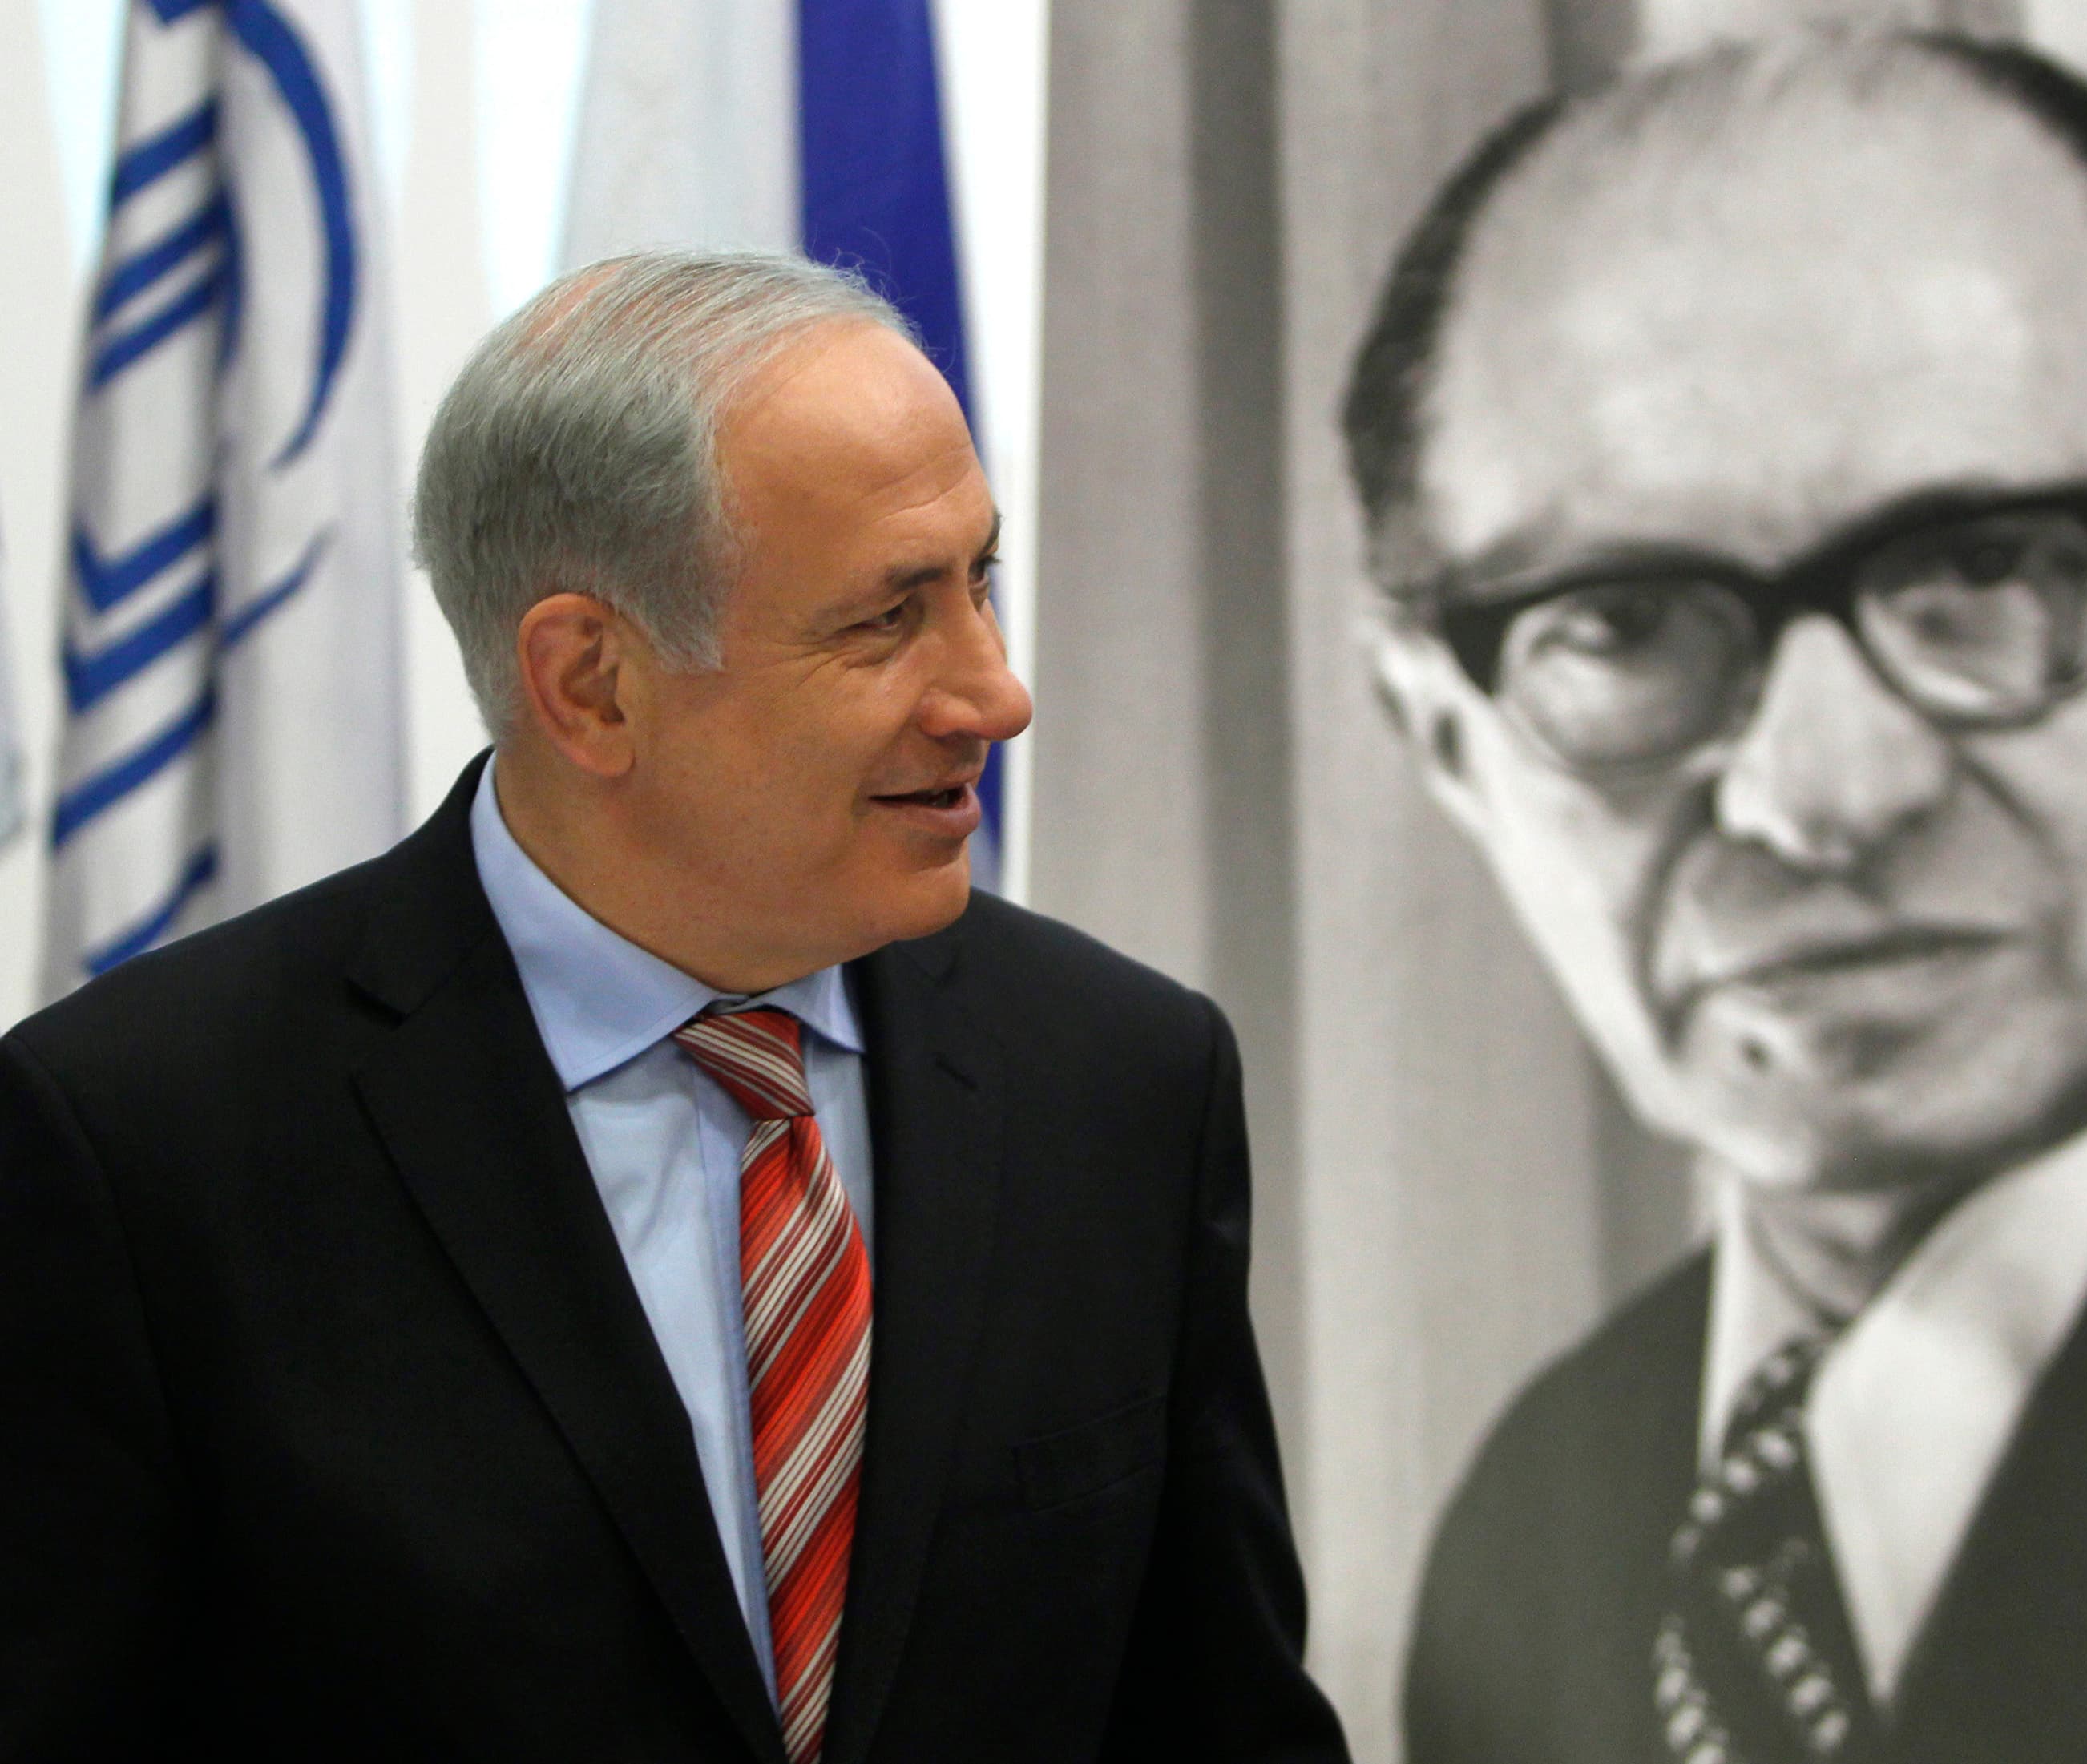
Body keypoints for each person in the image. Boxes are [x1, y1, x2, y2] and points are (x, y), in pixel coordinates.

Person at [1342, 29, 2087, 1764]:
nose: (1819, 797)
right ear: (1443, 739)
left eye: (1985, 568)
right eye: (1617, 623)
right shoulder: (1544, 1533)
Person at [0, 251, 1350, 1764]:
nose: (993, 693)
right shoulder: (133, 1149)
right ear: (593, 684)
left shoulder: (1123, 1084)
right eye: (887, 621)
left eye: (980, 579)